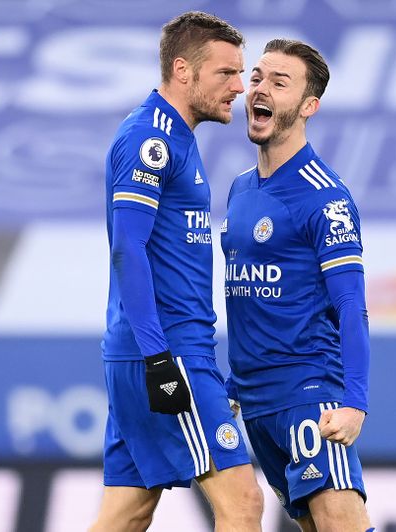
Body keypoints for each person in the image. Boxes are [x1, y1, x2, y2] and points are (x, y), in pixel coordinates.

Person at [93, 11, 263, 532]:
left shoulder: (178, 138)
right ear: (183, 70)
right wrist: (159, 359)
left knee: (127, 515)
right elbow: (127, 249)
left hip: (152, 352)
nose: (240, 86)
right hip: (168, 354)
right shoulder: (151, 138)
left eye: (241, 73)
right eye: (226, 73)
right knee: (243, 504)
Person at [222, 39, 374, 532]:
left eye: (279, 83)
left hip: (309, 394)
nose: (259, 89)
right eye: (259, 77)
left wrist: (354, 403)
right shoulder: (241, 189)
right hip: (257, 405)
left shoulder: (324, 197)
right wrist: (232, 384)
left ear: (309, 107)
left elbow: (351, 306)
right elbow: (248, 299)